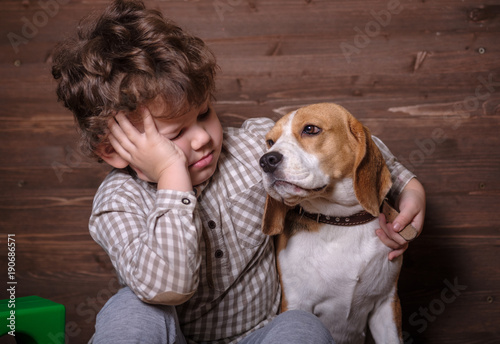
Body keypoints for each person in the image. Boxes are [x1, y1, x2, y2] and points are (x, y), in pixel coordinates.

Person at [51, 1, 426, 343]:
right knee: (128, 310)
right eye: (176, 134)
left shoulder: (251, 149)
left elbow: (345, 144)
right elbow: (166, 287)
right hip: (175, 337)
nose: (201, 138)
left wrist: (409, 188)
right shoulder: (117, 203)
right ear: (113, 150)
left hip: (260, 336)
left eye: (203, 114)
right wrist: (171, 175)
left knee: (303, 327)